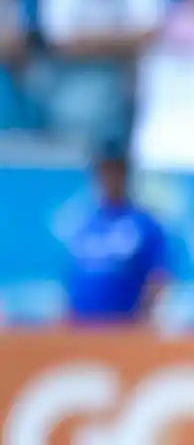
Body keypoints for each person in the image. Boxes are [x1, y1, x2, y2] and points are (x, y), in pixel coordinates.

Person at [63, 138, 167, 326]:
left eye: (116, 171)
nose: (110, 178)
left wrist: (142, 318)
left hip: (123, 328)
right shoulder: (86, 222)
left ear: (126, 174)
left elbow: (158, 276)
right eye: (105, 170)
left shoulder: (143, 224)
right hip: (82, 326)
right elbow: (75, 276)